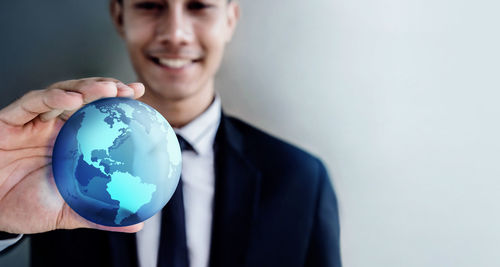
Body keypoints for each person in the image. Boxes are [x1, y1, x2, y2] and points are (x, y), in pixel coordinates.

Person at [0, 0, 341, 266]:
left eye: (199, 6)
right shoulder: (64, 163)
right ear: (119, 16)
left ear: (230, 19)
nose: (175, 33)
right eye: (150, 5)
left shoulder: (300, 182)